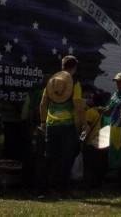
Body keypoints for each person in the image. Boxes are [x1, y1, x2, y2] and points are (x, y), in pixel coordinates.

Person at [39, 55, 86, 197]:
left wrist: (43, 122)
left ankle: (44, 190)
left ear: (62, 66)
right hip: (67, 125)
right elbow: (78, 106)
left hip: (51, 124)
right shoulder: (75, 83)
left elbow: (43, 104)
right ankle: (63, 189)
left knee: (49, 158)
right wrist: (81, 125)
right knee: (67, 158)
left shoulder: (51, 82)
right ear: (75, 68)